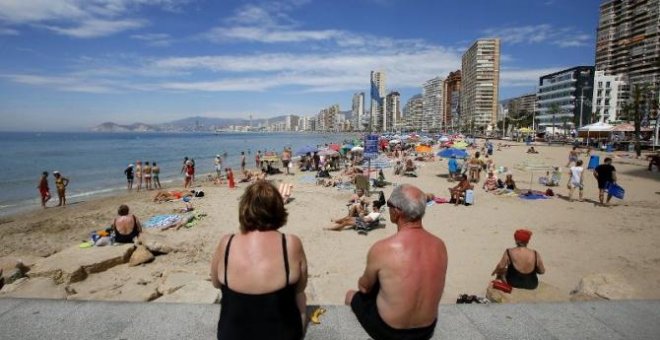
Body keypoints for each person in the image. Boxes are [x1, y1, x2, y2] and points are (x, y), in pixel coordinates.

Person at [345, 184, 447, 340]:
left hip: (391, 332)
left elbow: (364, 288)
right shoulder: (440, 246)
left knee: (351, 296)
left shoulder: (383, 248)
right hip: (427, 330)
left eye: (389, 205)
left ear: (397, 211)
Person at [210, 181, 307, 340]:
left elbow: (215, 283)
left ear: (244, 209)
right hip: (282, 335)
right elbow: (300, 287)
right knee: (301, 296)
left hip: (232, 335)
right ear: (278, 209)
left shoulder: (226, 243)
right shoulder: (290, 243)